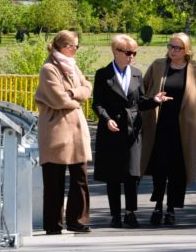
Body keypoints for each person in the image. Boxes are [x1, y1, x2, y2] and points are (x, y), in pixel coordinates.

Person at [92, 34, 171, 229]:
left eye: (134, 52)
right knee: (113, 174)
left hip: (132, 129)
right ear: (116, 51)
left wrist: (155, 101)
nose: (132, 56)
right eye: (128, 52)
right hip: (112, 128)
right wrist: (107, 119)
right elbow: (97, 104)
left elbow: (140, 102)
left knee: (132, 173)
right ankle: (115, 214)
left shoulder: (136, 73)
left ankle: (130, 212)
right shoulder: (103, 74)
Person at [141, 32, 196, 226]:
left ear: (187, 50)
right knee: (159, 168)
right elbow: (143, 90)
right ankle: (157, 206)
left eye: (177, 48)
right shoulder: (157, 66)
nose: (172, 50)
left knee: (177, 170)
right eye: (170, 46)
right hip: (160, 125)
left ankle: (171, 208)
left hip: (184, 129)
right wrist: (149, 105)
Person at [34, 30, 93, 234]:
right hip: (55, 129)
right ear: (63, 47)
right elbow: (58, 98)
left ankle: (78, 220)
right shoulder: (49, 69)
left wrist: (73, 93)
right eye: (74, 46)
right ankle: (53, 224)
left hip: (76, 129)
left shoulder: (73, 67)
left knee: (80, 176)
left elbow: (88, 87)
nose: (76, 50)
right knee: (53, 179)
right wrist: (76, 98)